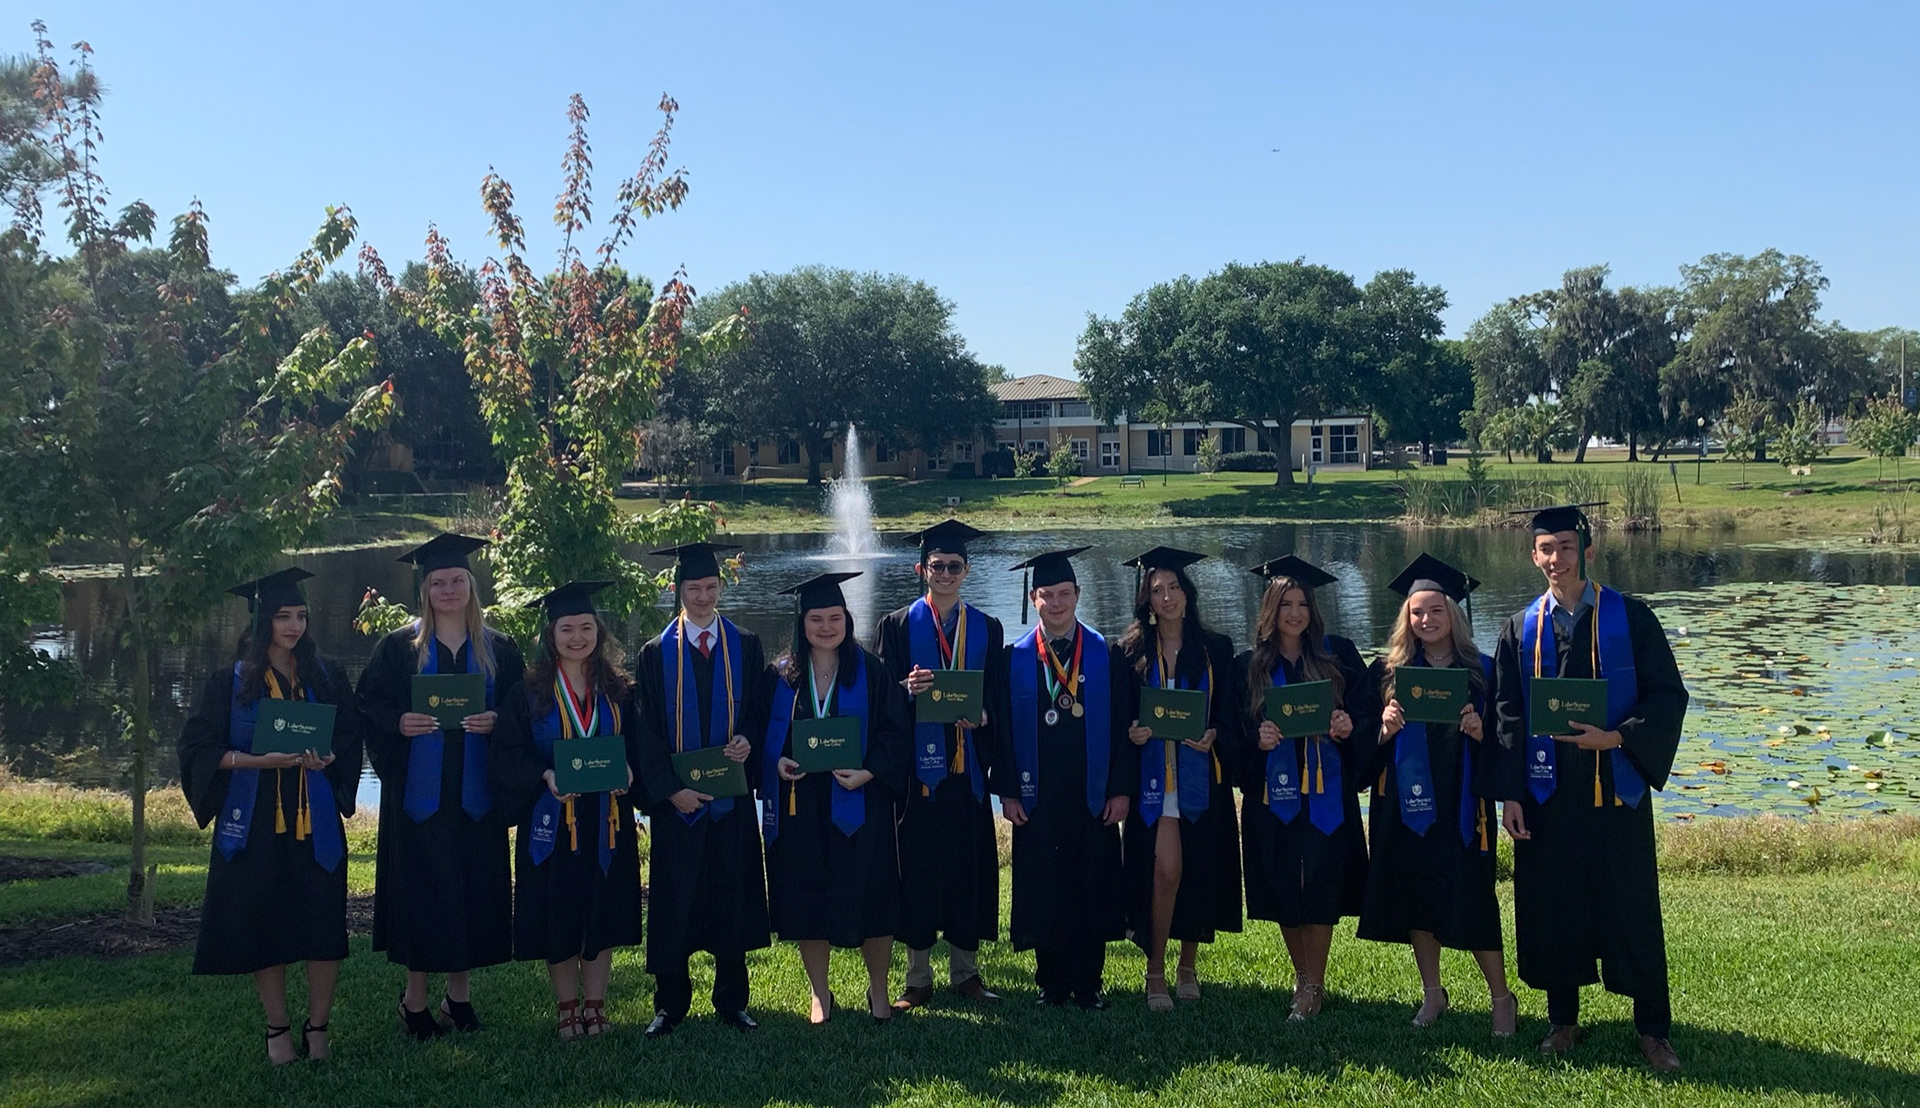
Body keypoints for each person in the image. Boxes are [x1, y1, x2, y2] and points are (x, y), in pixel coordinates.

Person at [1487, 505, 1689, 1072]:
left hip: (1616, 789)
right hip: (1549, 797)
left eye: (1567, 547)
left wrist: (1619, 737)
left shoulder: (1632, 618)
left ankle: (1653, 1030)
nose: (1557, 559)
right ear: (1534, 555)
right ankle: (1563, 1021)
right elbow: (1505, 716)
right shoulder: (1520, 629)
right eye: (1546, 549)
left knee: (1632, 907)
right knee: (1556, 905)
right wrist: (1510, 796)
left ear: (1589, 551)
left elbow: (1667, 696)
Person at [177, 568, 362, 1064]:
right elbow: (197, 747)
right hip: (255, 819)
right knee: (266, 921)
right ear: (262, 623)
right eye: (283, 616)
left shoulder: (326, 675)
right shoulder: (229, 681)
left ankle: (318, 1026)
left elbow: (347, 738)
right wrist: (258, 761)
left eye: (301, 615)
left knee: (323, 923)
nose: (294, 626)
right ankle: (277, 1027)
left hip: (316, 816)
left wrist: (330, 760)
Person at [356, 533, 523, 1039]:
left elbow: (523, 715)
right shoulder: (399, 647)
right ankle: (414, 1001)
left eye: (457, 581)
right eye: (438, 583)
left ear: (471, 586)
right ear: (424, 590)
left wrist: (499, 720)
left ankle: (459, 999)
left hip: (476, 799)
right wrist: (399, 721)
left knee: (469, 893)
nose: (448, 590)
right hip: (419, 801)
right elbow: (367, 706)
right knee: (423, 897)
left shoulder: (498, 648)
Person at [1354, 554, 1516, 1036]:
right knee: (1417, 900)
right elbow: (1358, 739)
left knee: (1475, 900)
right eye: (1417, 613)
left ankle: (1501, 998)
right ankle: (1432, 993)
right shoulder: (1387, 671)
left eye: (1435, 611)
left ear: (1455, 615)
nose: (1425, 620)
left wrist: (1481, 730)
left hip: (1465, 806)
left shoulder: (1484, 671)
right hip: (1404, 806)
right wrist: (1381, 731)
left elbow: (1511, 738)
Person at [490, 581, 643, 1040]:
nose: (577, 637)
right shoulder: (529, 692)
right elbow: (506, 752)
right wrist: (545, 775)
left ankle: (595, 1007)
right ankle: (566, 1008)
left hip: (607, 821)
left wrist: (632, 774)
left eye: (586, 628)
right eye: (567, 629)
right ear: (550, 634)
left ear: (599, 631)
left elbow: (637, 747)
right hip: (551, 822)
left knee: (602, 910)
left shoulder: (619, 689)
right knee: (558, 913)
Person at [759, 571, 913, 1024]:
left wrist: (868, 771)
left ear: (846, 618)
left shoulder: (874, 670)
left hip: (862, 806)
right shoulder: (781, 675)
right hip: (801, 806)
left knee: (875, 898)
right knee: (808, 900)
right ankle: (820, 994)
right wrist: (779, 763)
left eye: (834, 617)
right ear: (800, 623)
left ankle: (879, 992)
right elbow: (768, 738)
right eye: (815, 619)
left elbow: (897, 735)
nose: (826, 627)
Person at [630, 542, 770, 1038]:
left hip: (730, 801)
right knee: (675, 899)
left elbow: (760, 708)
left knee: (731, 894)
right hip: (679, 806)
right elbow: (643, 732)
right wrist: (669, 791)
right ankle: (670, 1004)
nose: (704, 596)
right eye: (694, 588)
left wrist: (748, 739)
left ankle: (732, 1001)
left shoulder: (745, 644)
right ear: (678, 589)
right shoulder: (653, 653)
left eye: (711, 587)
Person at [994, 547, 1136, 1010]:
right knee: (1044, 885)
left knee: (1090, 883)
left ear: (1078, 595)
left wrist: (1119, 788)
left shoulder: (1106, 654)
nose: (1056, 604)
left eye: (1064, 594)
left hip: (1091, 792)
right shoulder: (1012, 659)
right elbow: (1001, 733)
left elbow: (1123, 729)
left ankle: (1088, 984)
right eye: (1046, 595)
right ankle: (1050, 983)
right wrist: (1009, 792)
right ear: (1032, 598)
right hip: (1037, 795)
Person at [874, 520, 1007, 1011]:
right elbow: (879, 697)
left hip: (968, 772)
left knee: (966, 869)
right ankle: (917, 976)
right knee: (919, 870)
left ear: (966, 570)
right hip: (918, 776)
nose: (945, 573)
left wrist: (986, 714)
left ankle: (966, 972)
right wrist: (904, 691)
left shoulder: (989, 629)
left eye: (954, 566)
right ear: (921, 570)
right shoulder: (896, 625)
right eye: (937, 566)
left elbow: (996, 694)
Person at [1237, 554, 1372, 1020]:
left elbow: (1367, 716)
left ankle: (1314, 983)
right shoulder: (1248, 666)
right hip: (1272, 796)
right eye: (1284, 604)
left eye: (1302, 604)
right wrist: (1257, 739)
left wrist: (1346, 724)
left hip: (1327, 794)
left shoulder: (1340, 655)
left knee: (1319, 882)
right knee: (1281, 885)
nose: (1294, 613)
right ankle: (1303, 977)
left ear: (1313, 610)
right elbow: (1235, 733)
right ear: (1269, 611)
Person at [1114, 547, 1242, 1012]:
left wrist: (1215, 735)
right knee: (1165, 870)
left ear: (1188, 594)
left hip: (1199, 774)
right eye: (1156, 590)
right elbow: (1121, 718)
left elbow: (1230, 714)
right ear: (1146, 600)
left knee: (1198, 869)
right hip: (1154, 780)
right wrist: (1132, 731)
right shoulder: (1128, 652)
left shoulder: (1216, 649)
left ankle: (1187, 964)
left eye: (1174, 588)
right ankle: (1155, 969)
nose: (1166, 597)